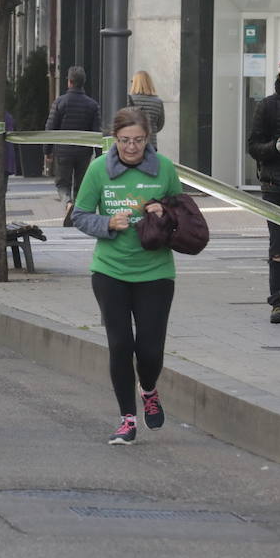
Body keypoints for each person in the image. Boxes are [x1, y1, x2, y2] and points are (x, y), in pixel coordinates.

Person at [71, 107, 182, 445]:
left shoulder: (163, 168)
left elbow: (183, 210)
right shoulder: (98, 170)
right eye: (124, 141)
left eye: (137, 140)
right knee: (120, 345)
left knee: (149, 351)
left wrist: (165, 211)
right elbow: (79, 215)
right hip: (110, 271)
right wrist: (107, 224)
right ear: (114, 139)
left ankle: (148, 388)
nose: (131, 147)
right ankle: (127, 418)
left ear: (148, 139)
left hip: (155, 272)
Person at [247, 46, 280, 324]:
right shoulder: (267, 106)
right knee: (279, 248)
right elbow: (253, 146)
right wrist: (275, 148)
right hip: (275, 188)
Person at [45, 65, 102, 222]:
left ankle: (68, 203)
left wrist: (47, 150)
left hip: (63, 151)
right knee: (81, 183)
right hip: (84, 152)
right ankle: (78, 212)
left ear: (69, 82)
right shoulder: (92, 105)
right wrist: (99, 156)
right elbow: (97, 132)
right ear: (83, 82)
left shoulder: (60, 102)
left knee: (62, 183)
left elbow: (50, 127)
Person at [126, 70, 166, 149]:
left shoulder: (128, 99)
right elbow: (160, 125)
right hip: (151, 143)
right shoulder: (158, 102)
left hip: (132, 144)